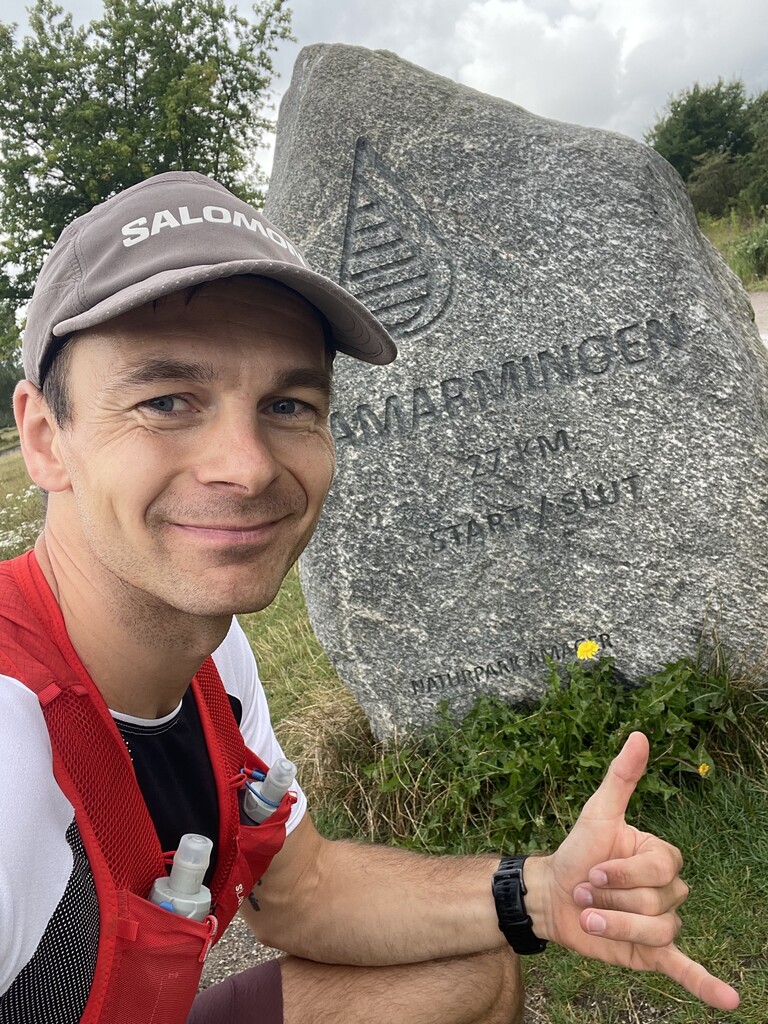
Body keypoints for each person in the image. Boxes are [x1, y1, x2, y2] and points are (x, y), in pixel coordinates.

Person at [0, 170, 739, 1024]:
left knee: (471, 974)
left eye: (287, 404)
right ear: (46, 438)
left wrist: (540, 891)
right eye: (166, 401)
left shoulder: (213, 656)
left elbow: (301, 890)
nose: (247, 466)